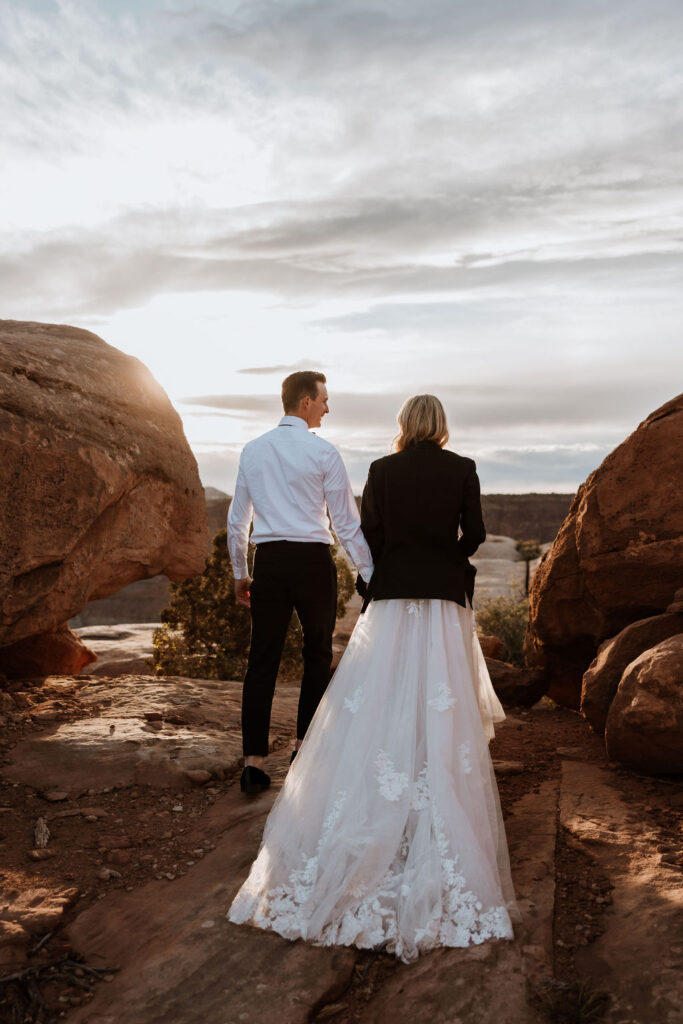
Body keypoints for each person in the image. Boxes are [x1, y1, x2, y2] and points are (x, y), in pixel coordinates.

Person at [227, 394, 521, 962]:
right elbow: (476, 532)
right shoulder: (462, 468)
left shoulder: (381, 470)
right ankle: (428, 771)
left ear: (404, 425)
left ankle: (352, 788)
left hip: (390, 592)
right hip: (443, 595)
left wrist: (384, 567)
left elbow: (369, 533)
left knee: (379, 690)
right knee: (440, 693)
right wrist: (447, 556)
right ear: (440, 427)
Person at [227, 370, 374, 795]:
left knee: (262, 660)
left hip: (269, 562)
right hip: (312, 563)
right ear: (306, 401)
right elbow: (346, 524)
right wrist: (371, 576)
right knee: (317, 655)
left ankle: (253, 764)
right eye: (324, 399)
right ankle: (303, 750)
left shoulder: (253, 451)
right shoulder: (324, 453)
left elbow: (238, 521)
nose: (328, 407)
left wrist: (241, 573)